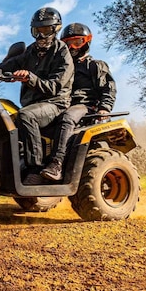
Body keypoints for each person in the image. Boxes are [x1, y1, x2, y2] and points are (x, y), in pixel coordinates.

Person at [0, 7, 74, 175]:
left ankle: (34, 169)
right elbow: (6, 66)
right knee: (0, 112)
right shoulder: (31, 51)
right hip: (33, 104)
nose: (41, 36)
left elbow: (54, 88)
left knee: (26, 115)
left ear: (56, 28)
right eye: (37, 31)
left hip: (55, 103)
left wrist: (30, 78)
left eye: (45, 30)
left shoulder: (63, 53)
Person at [40, 22, 117, 182]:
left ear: (86, 42)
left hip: (85, 106)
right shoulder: (63, 68)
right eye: (68, 44)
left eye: (77, 42)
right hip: (61, 104)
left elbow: (108, 88)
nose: (73, 47)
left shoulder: (95, 65)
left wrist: (104, 108)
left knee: (68, 117)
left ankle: (56, 163)